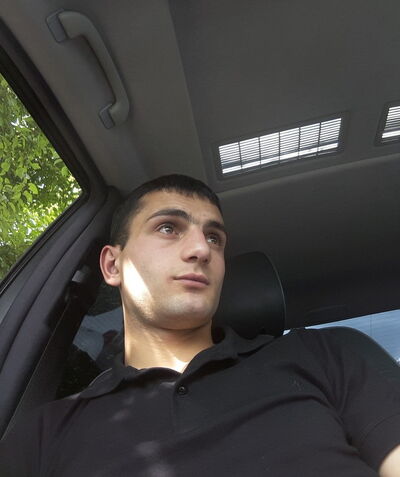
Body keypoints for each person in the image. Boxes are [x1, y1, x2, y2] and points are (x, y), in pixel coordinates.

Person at [0, 174, 400, 476]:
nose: (200, 249)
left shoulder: (324, 355)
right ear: (112, 265)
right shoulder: (43, 433)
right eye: (168, 228)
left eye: (214, 238)